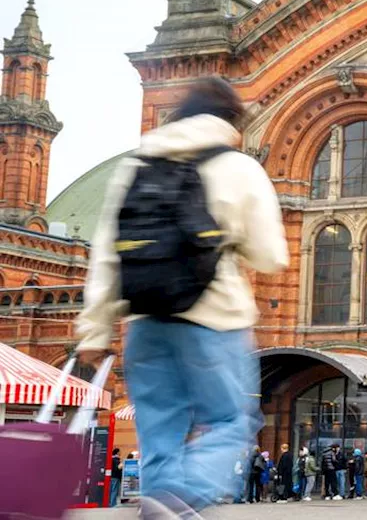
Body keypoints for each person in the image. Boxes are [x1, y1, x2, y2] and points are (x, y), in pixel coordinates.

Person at [74, 77, 289, 518]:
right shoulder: (239, 166)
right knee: (234, 421)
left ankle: (160, 504)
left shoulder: (136, 163)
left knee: (158, 433)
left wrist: (93, 332)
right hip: (214, 319)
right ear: (231, 121)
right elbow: (270, 256)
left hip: (145, 321)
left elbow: (106, 257)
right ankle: (183, 498)